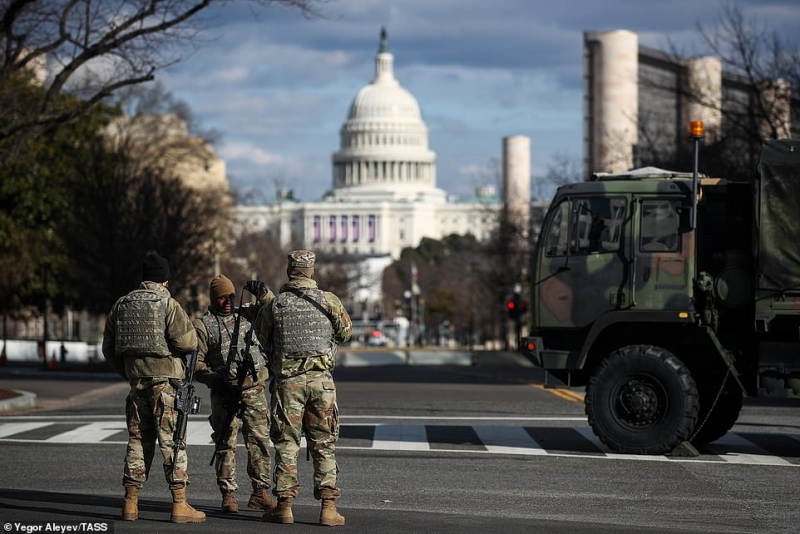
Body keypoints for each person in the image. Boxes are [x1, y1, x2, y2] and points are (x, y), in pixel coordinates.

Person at [101, 251, 205, 524]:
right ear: (165, 281)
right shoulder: (168, 304)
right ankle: (180, 504)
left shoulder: (121, 305)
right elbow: (188, 343)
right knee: (172, 441)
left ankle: (130, 503)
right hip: (165, 385)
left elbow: (108, 348)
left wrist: (129, 371)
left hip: (137, 385)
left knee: (137, 441)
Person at [254, 250, 352, 527]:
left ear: (290, 271)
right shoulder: (329, 300)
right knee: (324, 443)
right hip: (321, 382)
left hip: (288, 384)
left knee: (286, 443)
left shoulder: (276, 305)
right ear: (311, 270)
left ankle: (284, 506)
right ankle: (328, 508)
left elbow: (262, 338)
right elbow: (345, 333)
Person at [193, 274, 277, 514]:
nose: (228, 301)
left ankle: (260, 492)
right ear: (213, 299)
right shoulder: (203, 326)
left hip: (254, 390)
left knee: (259, 442)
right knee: (225, 444)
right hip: (224, 393)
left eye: (230, 296)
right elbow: (196, 364)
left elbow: (271, 310)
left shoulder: (246, 314)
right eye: (222, 297)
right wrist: (214, 380)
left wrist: (263, 292)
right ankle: (228, 494)